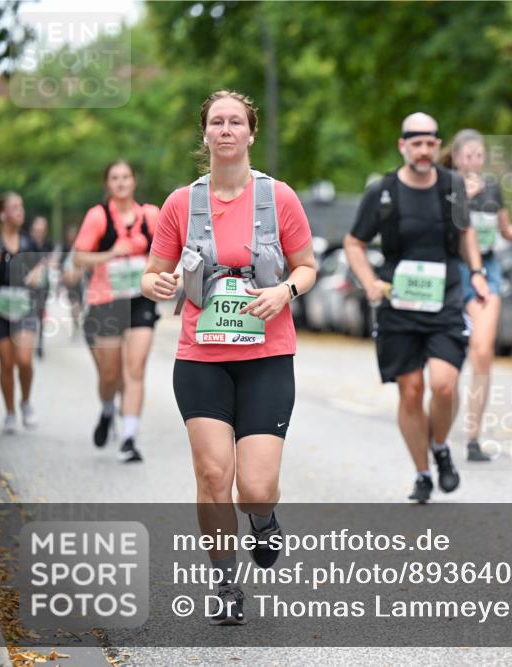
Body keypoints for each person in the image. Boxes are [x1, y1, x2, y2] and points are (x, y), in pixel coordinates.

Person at [142, 90, 317, 625]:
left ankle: (262, 520)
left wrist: (284, 292)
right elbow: (154, 271)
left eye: (234, 122)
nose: (225, 130)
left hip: (267, 353)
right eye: (216, 122)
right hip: (201, 356)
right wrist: (157, 284)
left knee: (254, 488)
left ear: (250, 132)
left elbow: (307, 266)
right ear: (205, 135)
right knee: (213, 474)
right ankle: (224, 581)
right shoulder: (181, 203)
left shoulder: (279, 197)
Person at [344, 112, 489, 504]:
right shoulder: (383, 191)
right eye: (416, 143)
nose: (424, 151)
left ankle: (439, 444)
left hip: (445, 300)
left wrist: (476, 271)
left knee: (443, 384)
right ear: (402, 145)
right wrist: (370, 282)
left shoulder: (452, 186)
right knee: (410, 391)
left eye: (430, 143)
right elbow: (354, 242)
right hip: (399, 305)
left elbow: (466, 232)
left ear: (438, 146)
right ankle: (422, 472)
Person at [444, 130, 512, 461]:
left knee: (483, 352)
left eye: (479, 155)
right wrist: (459, 197)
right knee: (449, 360)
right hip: (451, 271)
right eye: (468, 155)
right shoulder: (444, 186)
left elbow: (505, 229)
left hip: (488, 269)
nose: (474, 161)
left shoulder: (492, 188)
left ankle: (473, 437)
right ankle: (441, 432)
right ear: (457, 158)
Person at [73, 160, 160, 462]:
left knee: (134, 369)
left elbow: (167, 253)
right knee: (110, 374)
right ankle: (108, 408)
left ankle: (129, 438)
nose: (121, 182)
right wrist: (112, 253)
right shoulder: (97, 217)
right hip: (105, 301)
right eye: (115, 178)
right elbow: (78, 258)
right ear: (107, 184)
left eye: (126, 177)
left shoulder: (150, 215)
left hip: (140, 299)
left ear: (134, 181)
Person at [0, 192, 42, 432]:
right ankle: (9, 412)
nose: (20, 211)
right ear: (3, 214)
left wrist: (38, 273)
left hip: (25, 308)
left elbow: (40, 269)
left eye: (22, 206)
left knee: (24, 362)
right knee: (7, 364)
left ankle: (25, 402)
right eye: (15, 207)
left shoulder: (29, 242)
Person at [28, 215, 52, 359]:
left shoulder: (47, 244)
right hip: (27, 284)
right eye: (38, 225)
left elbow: (51, 260)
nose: (40, 229)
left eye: (43, 226)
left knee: (40, 312)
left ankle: (40, 343)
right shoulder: (26, 241)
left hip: (43, 283)